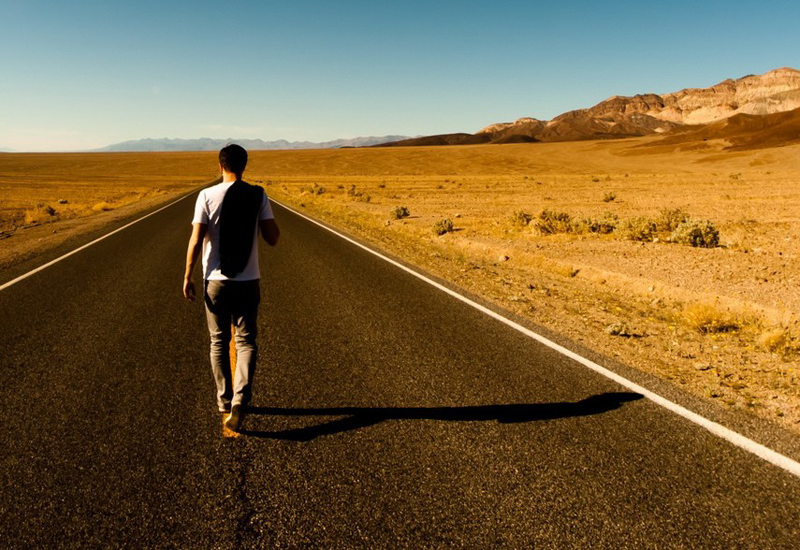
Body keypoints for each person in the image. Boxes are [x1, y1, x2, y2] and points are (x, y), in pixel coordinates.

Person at [183, 144, 280, 432]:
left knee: (218, 341)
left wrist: (187, 275)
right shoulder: (258, 195)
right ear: (244, 166)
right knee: (246, 342)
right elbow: (273, 238)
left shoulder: (206, 196)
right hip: (248, 281)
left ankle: (224, 401)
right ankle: (240, 400)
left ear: (220, 166)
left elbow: (196, 240)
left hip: (215, 282)